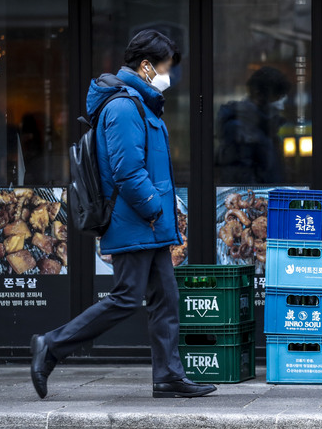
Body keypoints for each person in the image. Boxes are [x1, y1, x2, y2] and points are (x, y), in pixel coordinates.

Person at [31, 29, 216, 399]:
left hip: (150, 222)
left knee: (165, 297)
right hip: (137, 219)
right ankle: (51, 345)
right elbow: (127, 171)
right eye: (165, 67)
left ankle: (168, 376)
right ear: (146, 66)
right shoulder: (122, 107)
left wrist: (160, 214)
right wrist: (153, 208)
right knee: (126, 297)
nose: (169, 74)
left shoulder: (140, 103)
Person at [215, 66, 290, 183]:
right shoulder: (239, 128)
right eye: (275, 98)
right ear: (258, 95)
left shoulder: (264, 127)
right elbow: (239, 178)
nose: (281, 106)